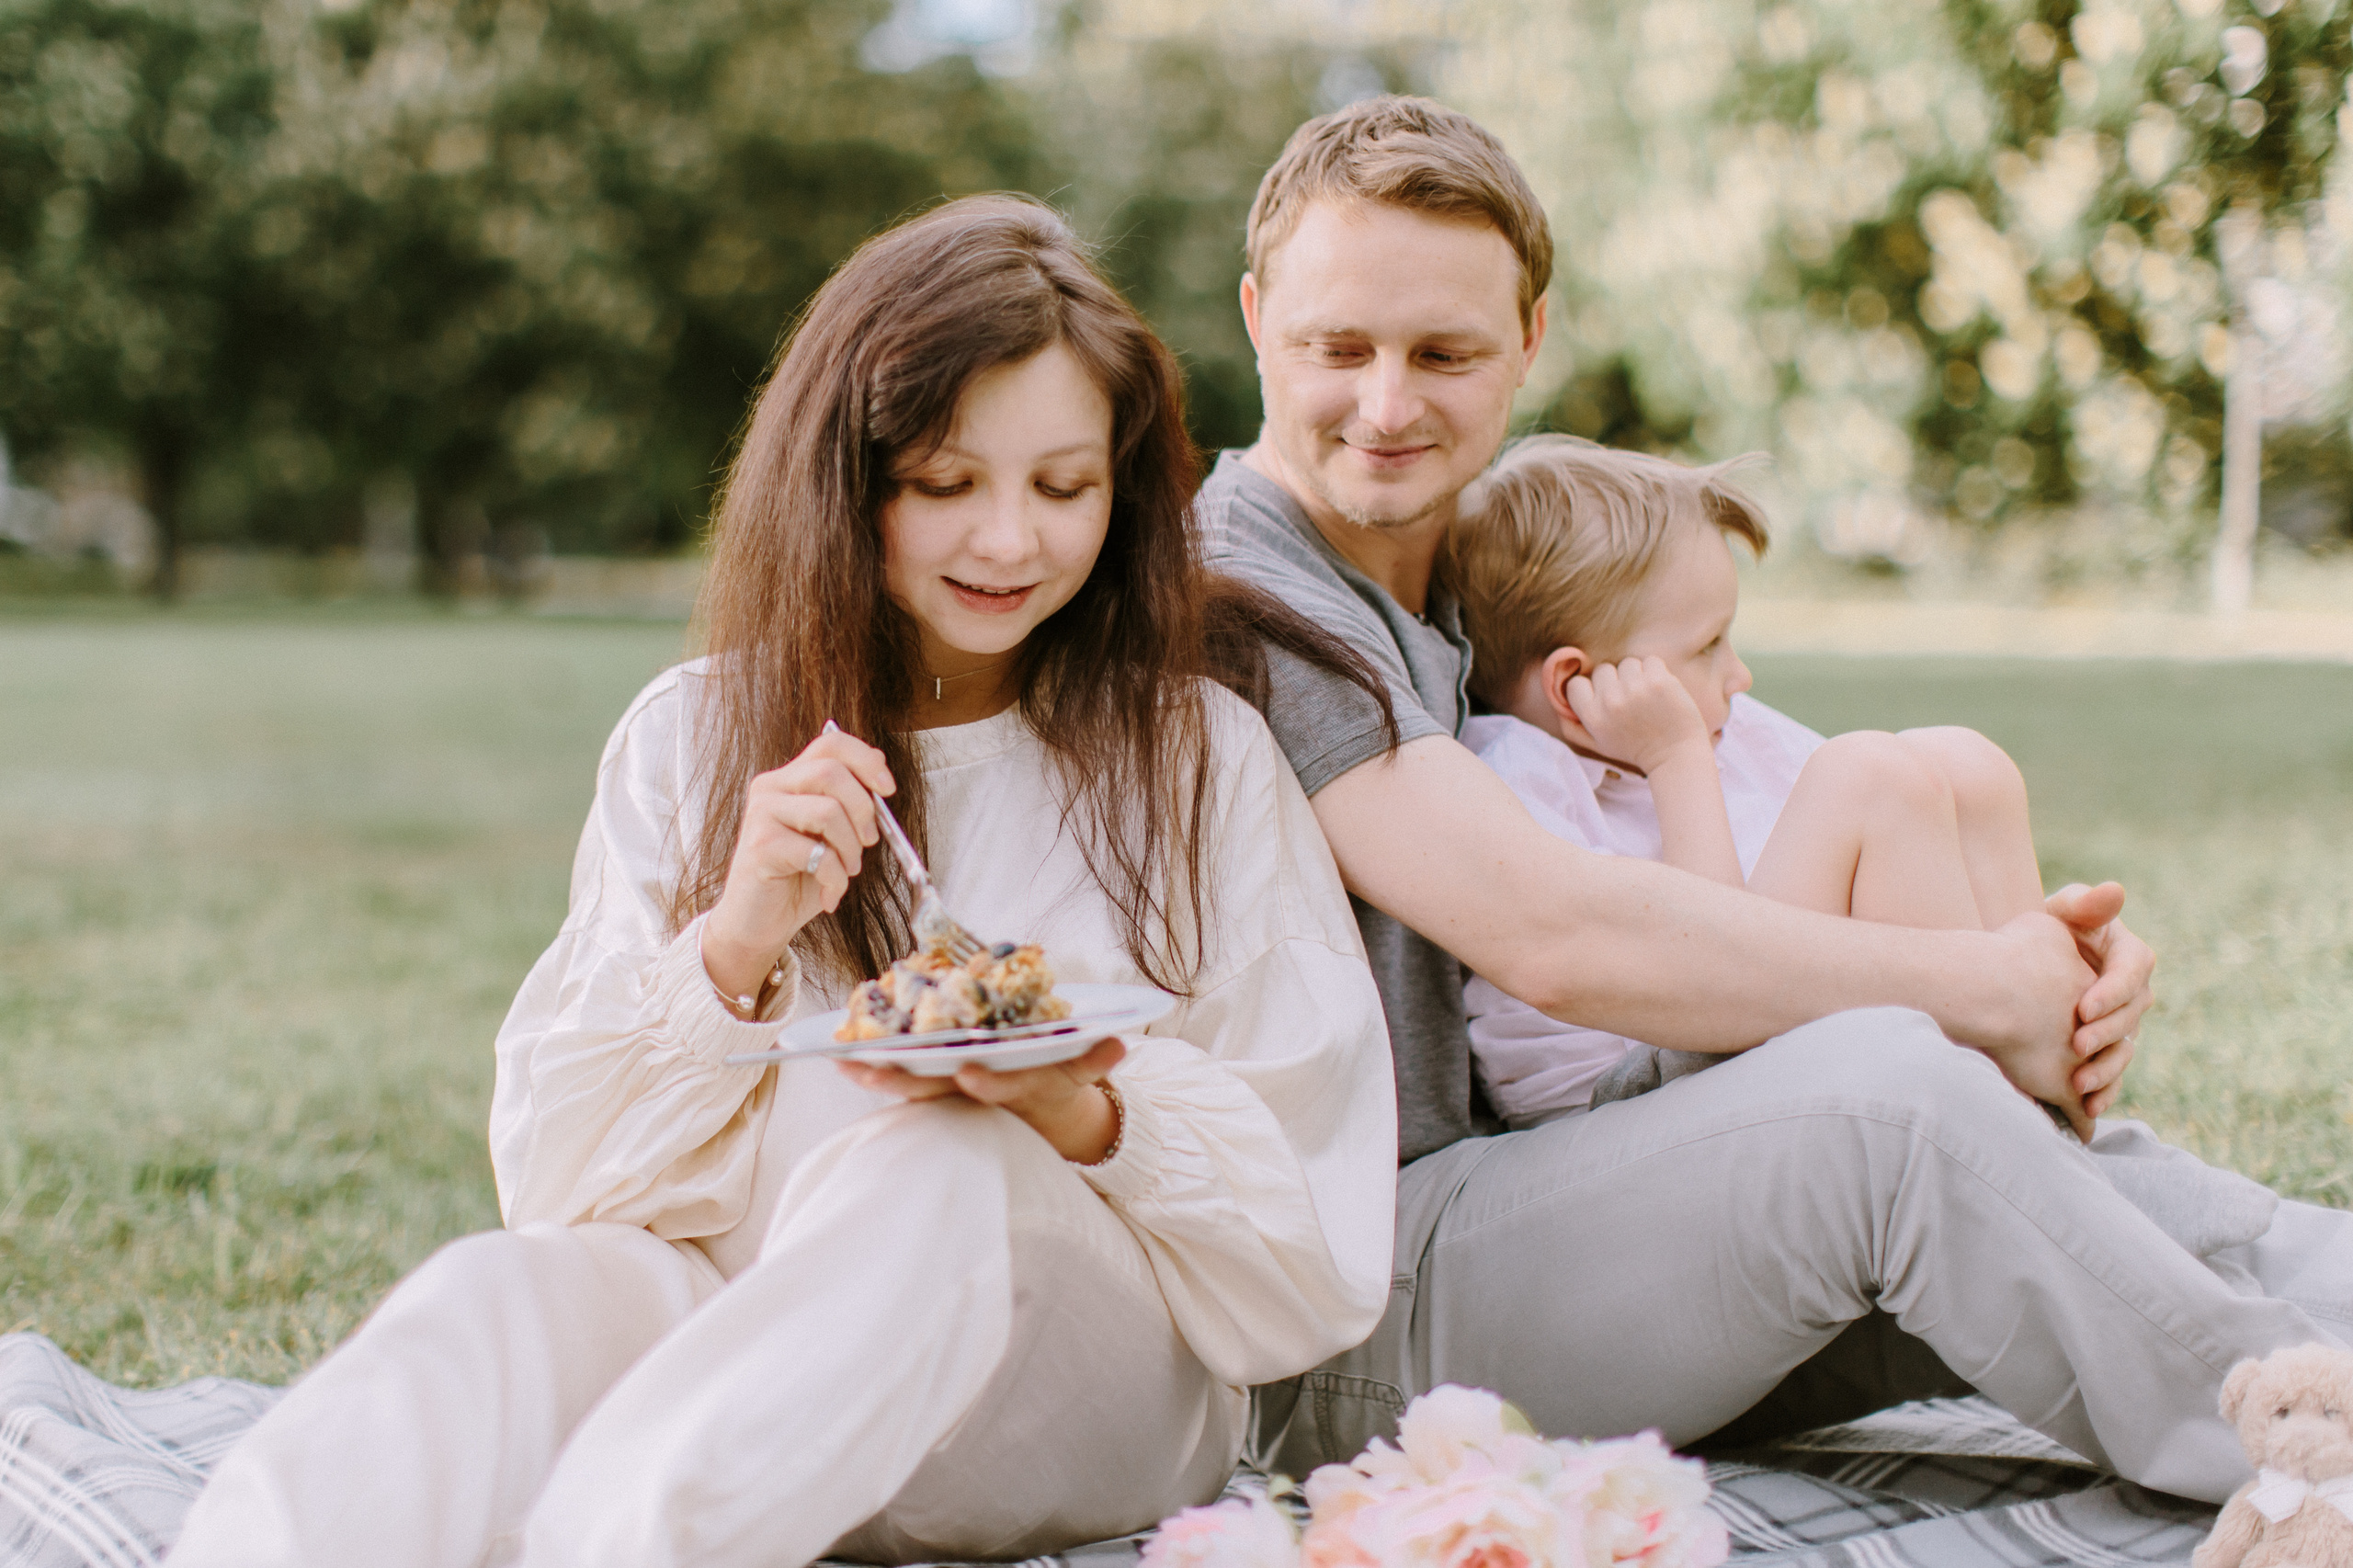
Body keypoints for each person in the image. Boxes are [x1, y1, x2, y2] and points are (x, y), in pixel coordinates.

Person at [166, 196, 1399, 1568]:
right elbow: (559, 1184)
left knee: (943, 1155)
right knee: (493, 1297)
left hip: (1063, 1384)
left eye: (1064, 487)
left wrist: (1075, 1101)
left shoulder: (1197, 762)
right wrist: (735, 938)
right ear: (844, 480)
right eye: (945, 484)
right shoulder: (694, 735)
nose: (1009, 541)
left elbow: (1310, 1263)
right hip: (739, 1335)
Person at [1204, 95, 2353, 1504]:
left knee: (2079, 1179)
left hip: (1582, 1206)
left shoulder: (1475, 567)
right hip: (1361, 1306)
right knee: (1893, 1106)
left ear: (1529, 343)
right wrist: (1983, 986)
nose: (1387, 404)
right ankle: (2306, 1465)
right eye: (1337, 348)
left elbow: (1774, 791)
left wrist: (2058, 965)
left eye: (1443, 351)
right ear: (1259, 321)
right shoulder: (1241, 590)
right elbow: (1560, 934)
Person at [1443, 435, 2284, 1263]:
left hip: (1741, 1036)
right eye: (1707, 647)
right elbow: (1702, 970)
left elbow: (1902, 820)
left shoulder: (1722, 727)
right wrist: (1676, 762)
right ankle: (2024, 1173)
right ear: (1575, 687)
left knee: (1964, 762)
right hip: (1632, 1114)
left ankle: (2044, 1133)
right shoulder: (1521, 780)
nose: (1739, 675)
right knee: (1866, 775)